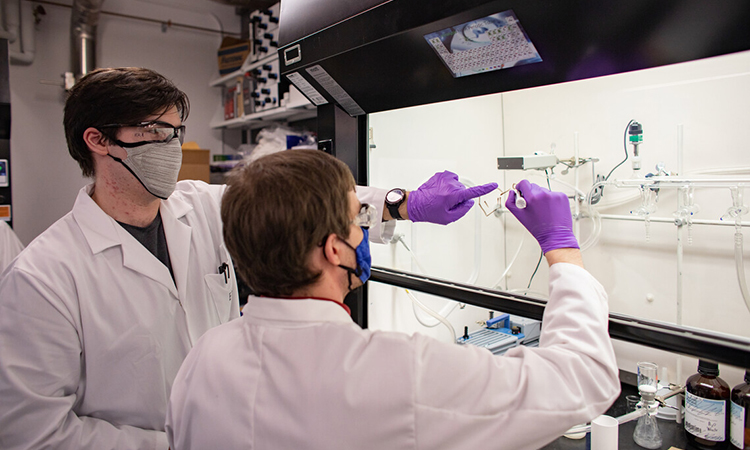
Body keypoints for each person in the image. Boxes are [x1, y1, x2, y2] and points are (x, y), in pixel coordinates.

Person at [0, 67, 495, 450]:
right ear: (99, 140)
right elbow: (34, 433)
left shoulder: (198, 205)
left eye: (178, 131)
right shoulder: (44, 277)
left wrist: (400, 204)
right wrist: (182, 442)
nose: (176, 147)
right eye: (157, 132)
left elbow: (298, 201)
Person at [165, 150, 621, 450]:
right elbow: (582, 380)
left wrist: (405, 203)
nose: (365, 232)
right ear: (334, 250)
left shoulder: (204, 356)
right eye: (355, 220)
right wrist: (562, 250)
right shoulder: (395, 370)